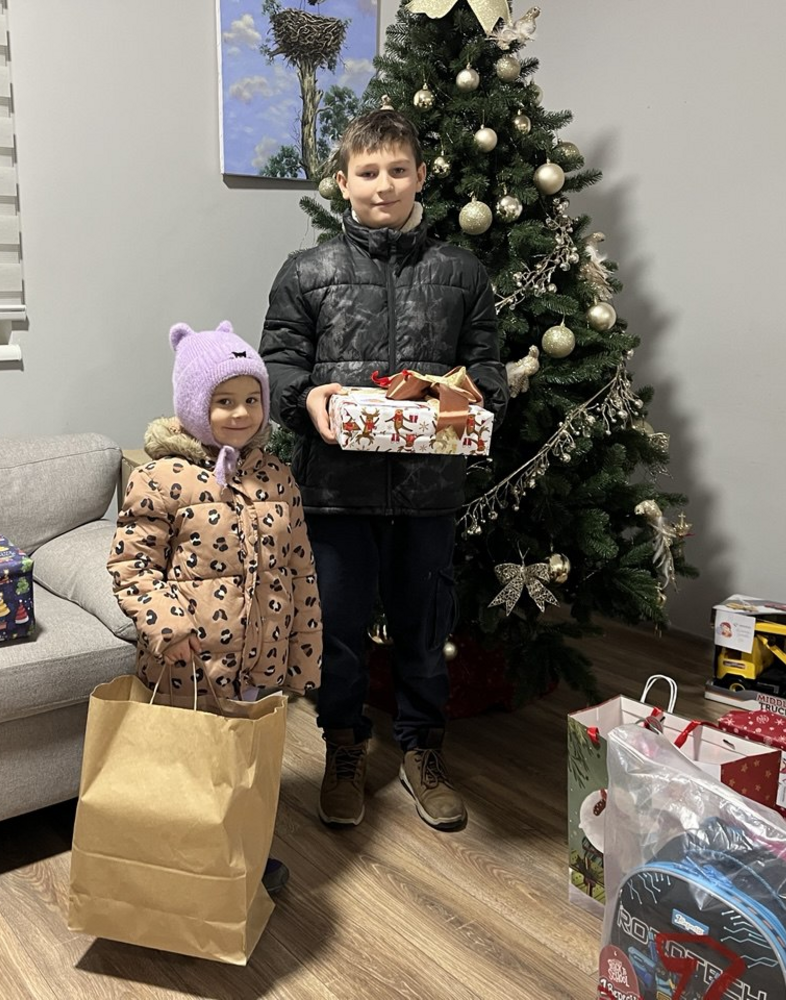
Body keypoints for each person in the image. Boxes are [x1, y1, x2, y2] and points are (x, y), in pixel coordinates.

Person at [259, 108, 509, 832]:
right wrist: (304, 397)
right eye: (367, 172)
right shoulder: (308, 272)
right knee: (338, 631)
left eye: (398, 170)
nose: (384, 184)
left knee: (424, 629)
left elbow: (488, 368)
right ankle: (344, 747)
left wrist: (469, 395)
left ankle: (422, 750)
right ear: (343, 182)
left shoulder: (461, 273)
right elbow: (279, 365)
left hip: (429, 494)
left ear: (420, 176)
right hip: (337, 493)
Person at [107, 319, 322, 892]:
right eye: (223, 401)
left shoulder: (277, 476)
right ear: (192, 404)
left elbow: (300, 569)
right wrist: (168, 624)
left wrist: (303, 655)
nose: (241, 413)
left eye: (252, 399)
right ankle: (178, 875)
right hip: (190, 666)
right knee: (187, 772)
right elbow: (132, 566)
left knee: (245, 769)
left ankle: (240, 859)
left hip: (261, 664)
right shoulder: (160, 479)